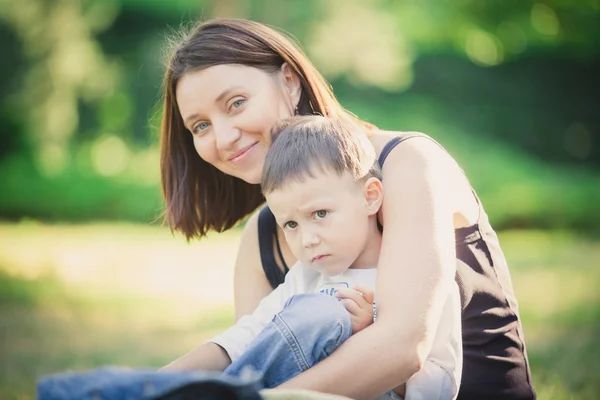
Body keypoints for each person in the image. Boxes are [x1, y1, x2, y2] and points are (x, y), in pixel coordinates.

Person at [160, 18, 536, 400]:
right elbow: (252, 354)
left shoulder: (404, 163)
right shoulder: (260, 239)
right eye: (200, 126)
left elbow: (402, 347)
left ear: (289, 81)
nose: (223, 137)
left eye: (236, 103)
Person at [162, 116, 463, 400]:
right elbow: (248, 338)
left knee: (325, 314)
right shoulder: (305, 277)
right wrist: (157, 382)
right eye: (291, 224)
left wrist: (371, 339)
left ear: (370, 196)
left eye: (320, 214)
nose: (307, 240)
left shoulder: (415, 280)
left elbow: (442, 386)